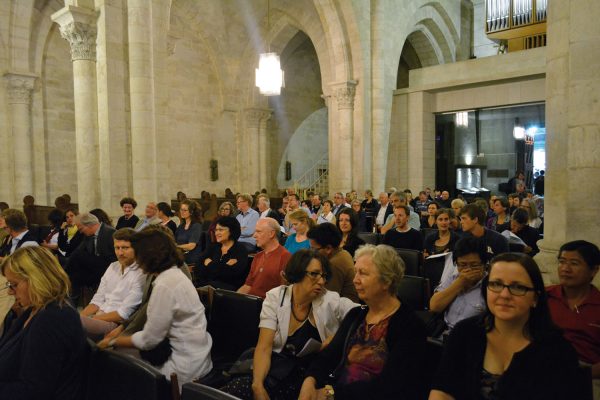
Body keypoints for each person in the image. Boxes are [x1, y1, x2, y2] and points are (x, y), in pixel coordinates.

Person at [429, 253, 583, 400]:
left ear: (535, 298)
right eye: (496, 284)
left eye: (517, 287)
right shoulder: (465, 332)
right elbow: (443, 390)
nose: (504, 295)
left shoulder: (558, 351)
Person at [221, 249, 359, 400]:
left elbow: (364, 314)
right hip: (276, 367)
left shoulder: (330, 300)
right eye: (314, 274)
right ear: (298, 273)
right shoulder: (275, 297)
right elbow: (264, 347)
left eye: (324, 276)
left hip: (310, 374)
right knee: (239, 389)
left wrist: (337, 337)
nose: (321, 281)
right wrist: (258, 385)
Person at [298, 244, 428, 399]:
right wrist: (309, 381)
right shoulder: (356, 315)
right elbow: (327, 356)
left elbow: (391, 386)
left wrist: (330, 393)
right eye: (355, 272)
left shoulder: (410, 326)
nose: (355, 280)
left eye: (363, 274)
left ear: (386, 281)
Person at [101, 228, 212, 387]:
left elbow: (149, 340)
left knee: (113, 364)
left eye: (138, 254)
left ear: (149, 256)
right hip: (195, 351)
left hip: (181, 363)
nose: (137, 260)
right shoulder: (172, 274)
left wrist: (112, 341)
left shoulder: (166, 284)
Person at [0, 246, 88, 399]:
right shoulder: (35, 309)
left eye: (14, 285)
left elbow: (33, 391)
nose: (10, 292)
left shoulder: (54, 319)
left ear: (36, 279)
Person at [547, 241, 600, 383]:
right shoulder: (545, 297)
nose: (565, 269)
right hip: (544, 367)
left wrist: (579, 376)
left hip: (589, 375)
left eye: (574, 263)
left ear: (594, 270)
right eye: (562, 262)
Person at [79, 228, 145, 338]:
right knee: (66, 320)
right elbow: (97, 300)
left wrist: (90, 319)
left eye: (125, 248)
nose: (120, 252)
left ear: (136, 248)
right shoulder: (113, 266)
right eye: (117, 248)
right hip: (98, 316)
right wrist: (82, 316)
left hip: (114, 323)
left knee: (69, 324)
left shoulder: (141, 273)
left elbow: (123, 314)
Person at [429, 237, 488, 333]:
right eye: (463, 265)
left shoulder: (490, 286)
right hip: (445, 332)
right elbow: (434, 306)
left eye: (474, 265)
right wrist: (460, 283)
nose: (468, 270)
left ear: (484, 264)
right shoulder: (454, 277)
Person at [238, 218, 292, 298]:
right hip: (249, 302)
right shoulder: (257, 256)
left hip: (267, 306)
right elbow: (248, 285)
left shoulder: (285, 257)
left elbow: (283, 293)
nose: (254, 235)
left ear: (271, 234)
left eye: (258, 232)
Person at [65, 213, 117, 294]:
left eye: (81, 229)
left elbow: (115, 258)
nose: (81, 232)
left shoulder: (110, 233)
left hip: (108, 267)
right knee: (75, 274)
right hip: (95, 268)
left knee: (78, 256)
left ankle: (63, 279)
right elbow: (77, 251)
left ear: (89, 225)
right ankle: (70, 294)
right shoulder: (88, 235)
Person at [308, 223, 360, 302]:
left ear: (328, 248)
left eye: (314, 249)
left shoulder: (334, 264)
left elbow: (326, 299)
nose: (311, 253)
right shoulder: (343, 252)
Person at [197, 216, 249, 290]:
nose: (217, 233)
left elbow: (233, 275)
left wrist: (209, 264)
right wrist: (224, 266)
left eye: (221, 230)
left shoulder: (240, 249)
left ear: (232, 231)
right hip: (207, 286)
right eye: (216, 230)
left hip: (228, 290)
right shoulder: (213, 247)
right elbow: (198, 266)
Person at [175, 199, 203, 266]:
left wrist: (176, 247)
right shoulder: (181, 226)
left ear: (191, 212)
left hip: (191, 257)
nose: (182, 212)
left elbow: (191, 246)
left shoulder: (196, 226)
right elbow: (175, 241)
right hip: (181, 255)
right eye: (181, 209)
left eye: (185, 210)